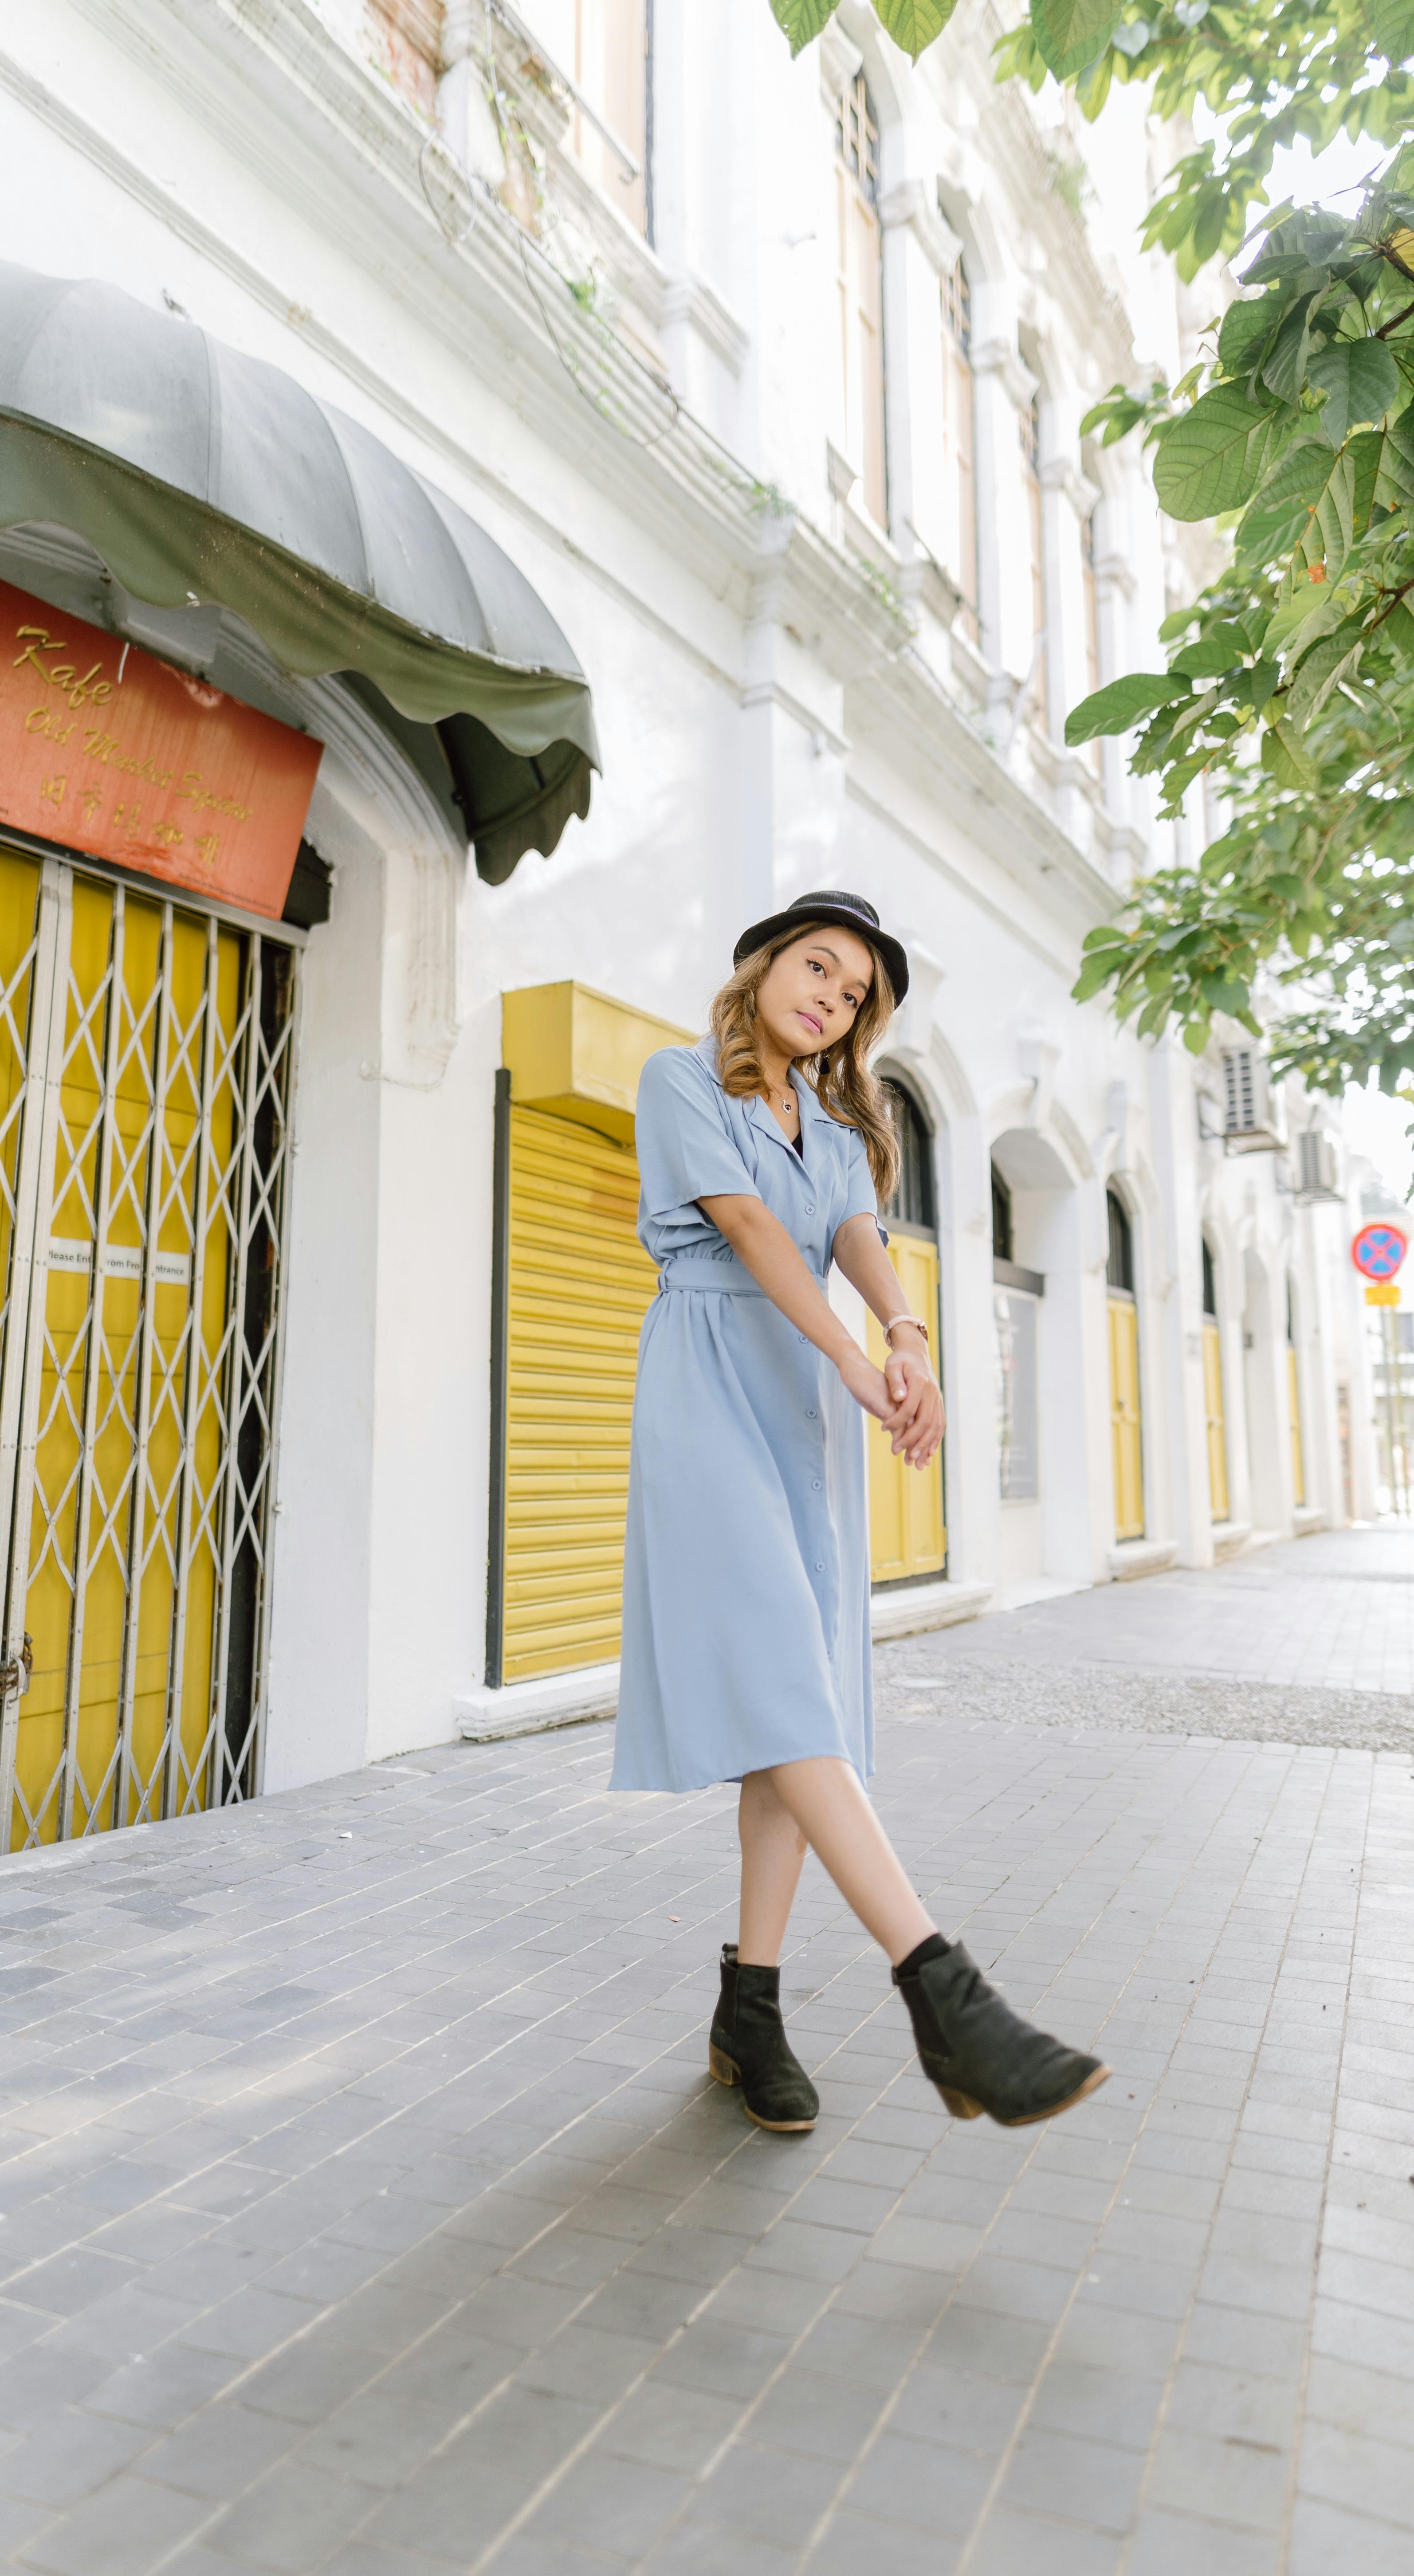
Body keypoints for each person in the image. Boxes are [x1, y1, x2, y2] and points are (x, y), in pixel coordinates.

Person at [613, 889, 1110, 2134]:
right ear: (764, 965)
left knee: (804, 1714)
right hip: (714, 1384)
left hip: (802, 1413)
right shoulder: (684, 1082)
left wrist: (909, 1338)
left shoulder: (833, 1127)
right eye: (816, 968)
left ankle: (753, 2008)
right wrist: (850, 1356)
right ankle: (943, 1991)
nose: (828, 996)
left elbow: (851, 1235)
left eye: (851, 996)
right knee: (787, 1690)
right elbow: (746, 1232)